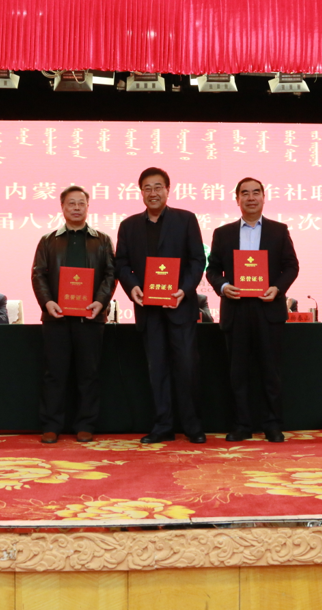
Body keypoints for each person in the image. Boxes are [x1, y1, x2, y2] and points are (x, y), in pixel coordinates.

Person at [116, 167, 207, 444]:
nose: (153, 193)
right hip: (148, 310)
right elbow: (122, 264)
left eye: (158, 187)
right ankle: (163, 426)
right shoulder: (129, 226)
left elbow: (197, 260)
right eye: (147, 188)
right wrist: (132, 287)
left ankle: (192, 425)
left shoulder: (186, 219)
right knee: (157, 370)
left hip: (180, 307)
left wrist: (184, 290)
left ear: (168, 190)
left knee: (187, 368)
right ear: (140, 192)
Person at [206, 177, 299, 442]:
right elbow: (212, 269)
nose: (250, 198)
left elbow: (291, 266)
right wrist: (223, 286)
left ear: (263, 197)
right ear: (237, 199)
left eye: (256, 192)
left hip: (267, 309)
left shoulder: (278, 231)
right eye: (245, 193)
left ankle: (272, 424)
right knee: (238, 372)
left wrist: (277, 288)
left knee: (270, 371)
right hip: (236, 310)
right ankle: (242, 425)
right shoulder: (223, 233)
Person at [31, 186, 116, 444]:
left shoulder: (102, 240)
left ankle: (86, 424)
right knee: (54, 374)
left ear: (88, 207)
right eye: (71, 203)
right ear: (62, 207)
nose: (76, 207)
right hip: (56, 318)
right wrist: (48, 303)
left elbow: (110, 274)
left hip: (90, 318)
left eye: (81, 203)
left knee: (89, 374)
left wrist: (100, 302)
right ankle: (51, 425)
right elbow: (38, 275)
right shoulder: (48, 241)